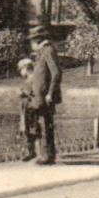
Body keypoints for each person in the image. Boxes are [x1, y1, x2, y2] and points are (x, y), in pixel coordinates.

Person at [26, 23, 63, 164]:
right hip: (40, 95)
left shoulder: (48, 51)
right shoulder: (41, 52)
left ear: (38, 40)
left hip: (45, 96)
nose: (31, 43)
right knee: (42, 124)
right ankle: (46, 154)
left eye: (32, 40)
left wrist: (50, 93)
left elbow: (56, 73)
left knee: (45, 123)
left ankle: (47, 156)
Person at [17, 57, 40, 159]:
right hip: (26, 107)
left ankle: (34, 152)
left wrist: (23, 92)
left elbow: (34, 93)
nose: (21, 72)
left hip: (31, 107)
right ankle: (30, 151)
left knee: (32, 128)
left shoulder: (34, 79)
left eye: (21, 70)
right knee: (26, 128)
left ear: (26, 68)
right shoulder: (29, 79)